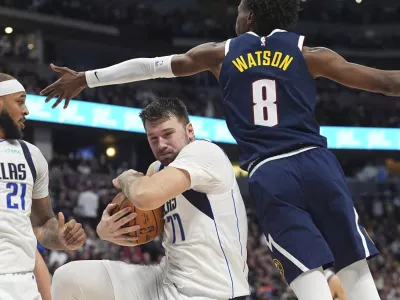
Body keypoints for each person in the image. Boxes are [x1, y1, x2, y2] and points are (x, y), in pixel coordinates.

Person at [39, 0, 395, 299]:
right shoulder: (309, 53)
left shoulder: (220, 54)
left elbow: (150, 68)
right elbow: (385, 82)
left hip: (269, 172)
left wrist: (87, 78)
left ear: (250, 16)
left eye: (240, 9)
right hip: (316, 162)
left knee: (302, 266)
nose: (236, 16)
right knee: (352, 261)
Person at [51, 98, 249, 300]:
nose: (161, 144)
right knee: (67, 278)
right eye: (153, 138)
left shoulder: (204, 152)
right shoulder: (156, 170)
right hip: (166, 280)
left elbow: (143, 196)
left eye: (168, 134)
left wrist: (126, 176)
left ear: (189, 130)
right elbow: (147, 226)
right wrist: (107, 230)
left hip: (214, 292)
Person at [0, 73, 87, 300]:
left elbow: (40, 225)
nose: (26, 110)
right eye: (19, 101)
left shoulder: (31, 155)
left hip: (23, 283)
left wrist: (59, 237)